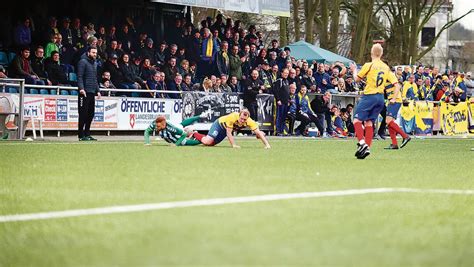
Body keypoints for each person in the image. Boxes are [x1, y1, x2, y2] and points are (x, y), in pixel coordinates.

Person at [349, 43, 397, 159]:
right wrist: (394, 97)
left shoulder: (369, 65)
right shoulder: (386, 67)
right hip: (380, 97)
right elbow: (395, 83)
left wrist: (354, 70)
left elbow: (356, 79)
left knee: (356, 120)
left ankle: (362, 143)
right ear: (381, 54)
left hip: (369, 96)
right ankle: (367, 148)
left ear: (371, 52)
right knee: (369, 122)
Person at [192, 109, 271, 149]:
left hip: (224, 131)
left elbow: (259, 132)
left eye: (244, 119)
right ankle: (193, 133)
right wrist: (234, 145)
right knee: (207, 141)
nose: (242, 121)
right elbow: (229, 133)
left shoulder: (250, 121)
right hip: (219, 125)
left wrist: (267, 145)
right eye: (241, 118)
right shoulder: (232, 117)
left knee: (211, 144)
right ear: (239, 115)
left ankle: (196, 137)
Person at [77, 47, 100, 141]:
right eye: (93, 52)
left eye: (96, 53)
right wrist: (81, 88)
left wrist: (98, 90)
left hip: (92, 92)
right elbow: (79, 76)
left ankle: (87, 133)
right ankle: (81, 135)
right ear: (88, 52)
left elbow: (95, 78)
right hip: (84, 92)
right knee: (83, 114)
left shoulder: (95, 63)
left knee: (91, 114)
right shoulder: (82, 62)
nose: (95, 54)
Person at [384, 70, 411, 149]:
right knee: (389, 122)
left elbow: (398, 86)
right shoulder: (384, 75)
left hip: (395, 101)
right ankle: (394, 144)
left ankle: (405, 136)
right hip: (392, 100)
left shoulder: (389, 74)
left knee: (388, 121)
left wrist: (394, 98)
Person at [144, 113, 208, 146]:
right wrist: (147, 142)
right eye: (157, 126)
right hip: (177, 128)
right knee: (181, 125)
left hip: (178, 136)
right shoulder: (155, 124)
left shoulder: (172, 129)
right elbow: (147, 131)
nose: (156, 128)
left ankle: (204, 138)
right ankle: (199, 117)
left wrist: (176, 144)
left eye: (158, 126)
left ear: (163, 124)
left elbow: (184, 134)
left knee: (187, 143)